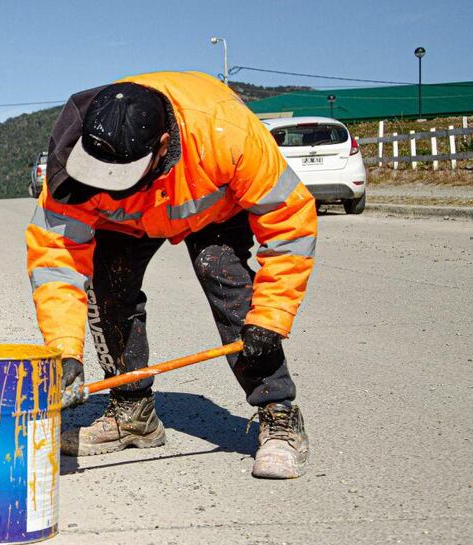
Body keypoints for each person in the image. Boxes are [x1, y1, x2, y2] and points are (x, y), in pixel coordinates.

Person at [26, 72, 317, 479]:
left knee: (228, 284)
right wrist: (64, 351)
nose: (107, 186)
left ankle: (278, 414)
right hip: (127, 224)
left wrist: (272, 316)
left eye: (119, 178)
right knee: (109, 286)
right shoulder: (73, 162)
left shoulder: (226, 132)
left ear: (163, 146)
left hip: (213, 212)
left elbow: (289, 221)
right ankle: (133, 413)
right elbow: (56, 256)